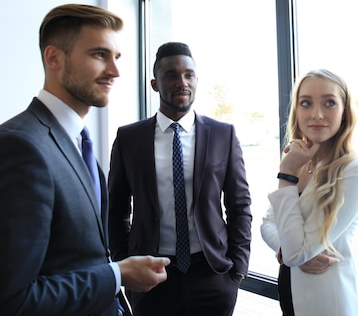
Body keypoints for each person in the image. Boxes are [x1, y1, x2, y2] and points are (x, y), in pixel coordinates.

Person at [0, 4, 170, 316]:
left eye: (116, 57)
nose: (115, 71)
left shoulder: (76, 141)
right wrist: (118, 274)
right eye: (99, 55)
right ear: (54, 58)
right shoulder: (17, 148)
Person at [108, 42, 252, 316]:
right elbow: (116, 211)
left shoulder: (223, 135)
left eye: (189, 75)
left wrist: (237, 271)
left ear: (197, 80)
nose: (181, 82)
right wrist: (124, 265)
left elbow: (240, 206)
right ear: (155, 83)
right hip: (151, 277)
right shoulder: (129, 139)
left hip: (212, 275)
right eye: (171, 75)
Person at [261, 69, 358, 316]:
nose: (317, 114)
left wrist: (286, 176)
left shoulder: (355, 171)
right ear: (297, 111)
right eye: (306, 103)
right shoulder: (298, 162)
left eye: (329, 103)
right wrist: (284, 249)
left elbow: (298, 252)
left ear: (344, 112)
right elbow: (268, 224)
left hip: (328, 303)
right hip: (290, 293)